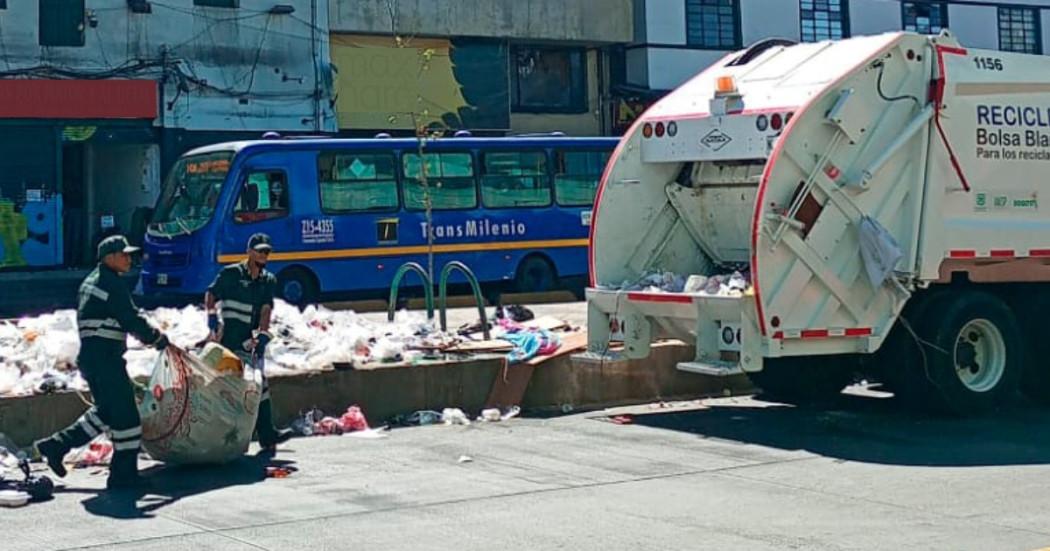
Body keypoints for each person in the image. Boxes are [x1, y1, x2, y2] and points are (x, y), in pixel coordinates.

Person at [35, 235, 169, 490]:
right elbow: (130, 319)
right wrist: (157, 339)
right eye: (125, 254)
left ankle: (55, 445)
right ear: (110, 257)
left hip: (93, 359)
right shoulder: (111, 283)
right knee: (127, 419)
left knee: (107, 411)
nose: (130, 259)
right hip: (105, 360)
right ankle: (123, 477)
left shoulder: (92, 280)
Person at [205, 233, 292, 452]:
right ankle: (218, 435)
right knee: (221, 387)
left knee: (258, 384)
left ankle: (267, 435)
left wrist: (263, 334)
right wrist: (211, 316)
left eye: (267, 252)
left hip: (245, 341)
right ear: (249, 252)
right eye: (260, 251)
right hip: (225, 340)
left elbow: (265, 309)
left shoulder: (268, 281)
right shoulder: (231, 274)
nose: (264, 255)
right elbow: (211, 293)